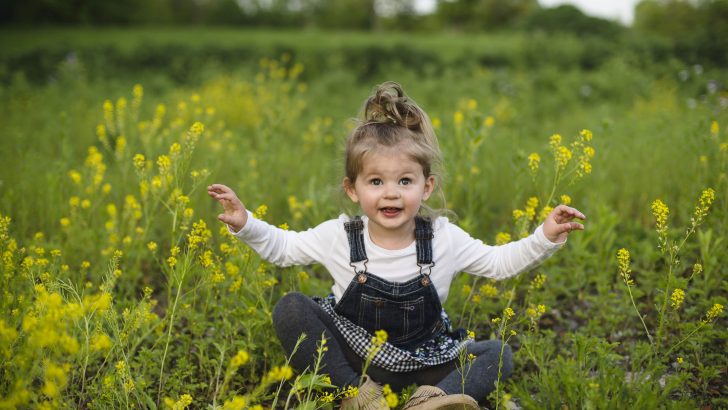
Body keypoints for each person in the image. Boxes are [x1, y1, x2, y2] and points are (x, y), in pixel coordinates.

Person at [207, 82, 585, 409]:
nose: (391, 193)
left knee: (497, 354)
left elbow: (499, 263)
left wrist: (544, 237)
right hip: (357, 360)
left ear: (427, 186)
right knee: (291, 308)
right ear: (352, 189)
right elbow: (283, 248)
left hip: (425, 361)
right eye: (376, 182)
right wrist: (246, 223)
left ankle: (429, 401)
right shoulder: (339, 235)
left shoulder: (442, 237)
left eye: (405, 181)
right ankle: (356, 396)